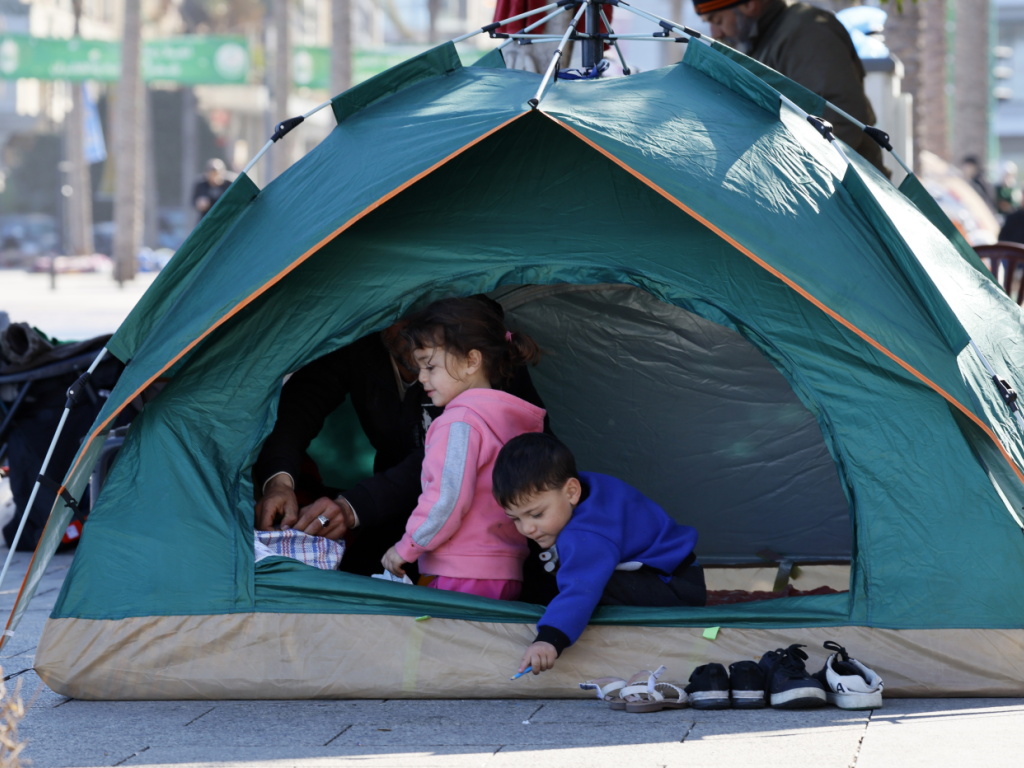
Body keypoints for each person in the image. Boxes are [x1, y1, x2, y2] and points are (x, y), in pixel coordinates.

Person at [252, 299, 547, 577]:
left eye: (423, 312)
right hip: (397, 514)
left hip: (487, 537)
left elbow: (448, 473)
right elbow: (300, 405)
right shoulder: (359, 344)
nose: (412, 329)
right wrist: (279, 481)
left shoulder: (482, 348)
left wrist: (355, 506)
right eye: (398, 312)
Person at [492, 432, 705, 675]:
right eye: (515, 519)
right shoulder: (585, 487)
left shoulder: (586, 534)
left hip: (675, 588)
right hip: (681, 574)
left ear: (571, 491)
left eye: (537, 514)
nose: (527, 528)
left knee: (586, 585)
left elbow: (581, 589)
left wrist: (549, 639)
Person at [380, 297, 546, 600]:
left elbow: (447, 498)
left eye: (430, 366)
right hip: (505, 570)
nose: (421, 378)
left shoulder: (458, 422)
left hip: (460, 572)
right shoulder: (509, 417)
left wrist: (406, 547)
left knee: (437, 646)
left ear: (472, 361)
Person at [694, 0, 888, 176]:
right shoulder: (766, 39)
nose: (715, 33)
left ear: (749, 4)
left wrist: (784, 177)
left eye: (718, 20)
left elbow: (840, 121)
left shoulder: (807, 31)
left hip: (842, 196)